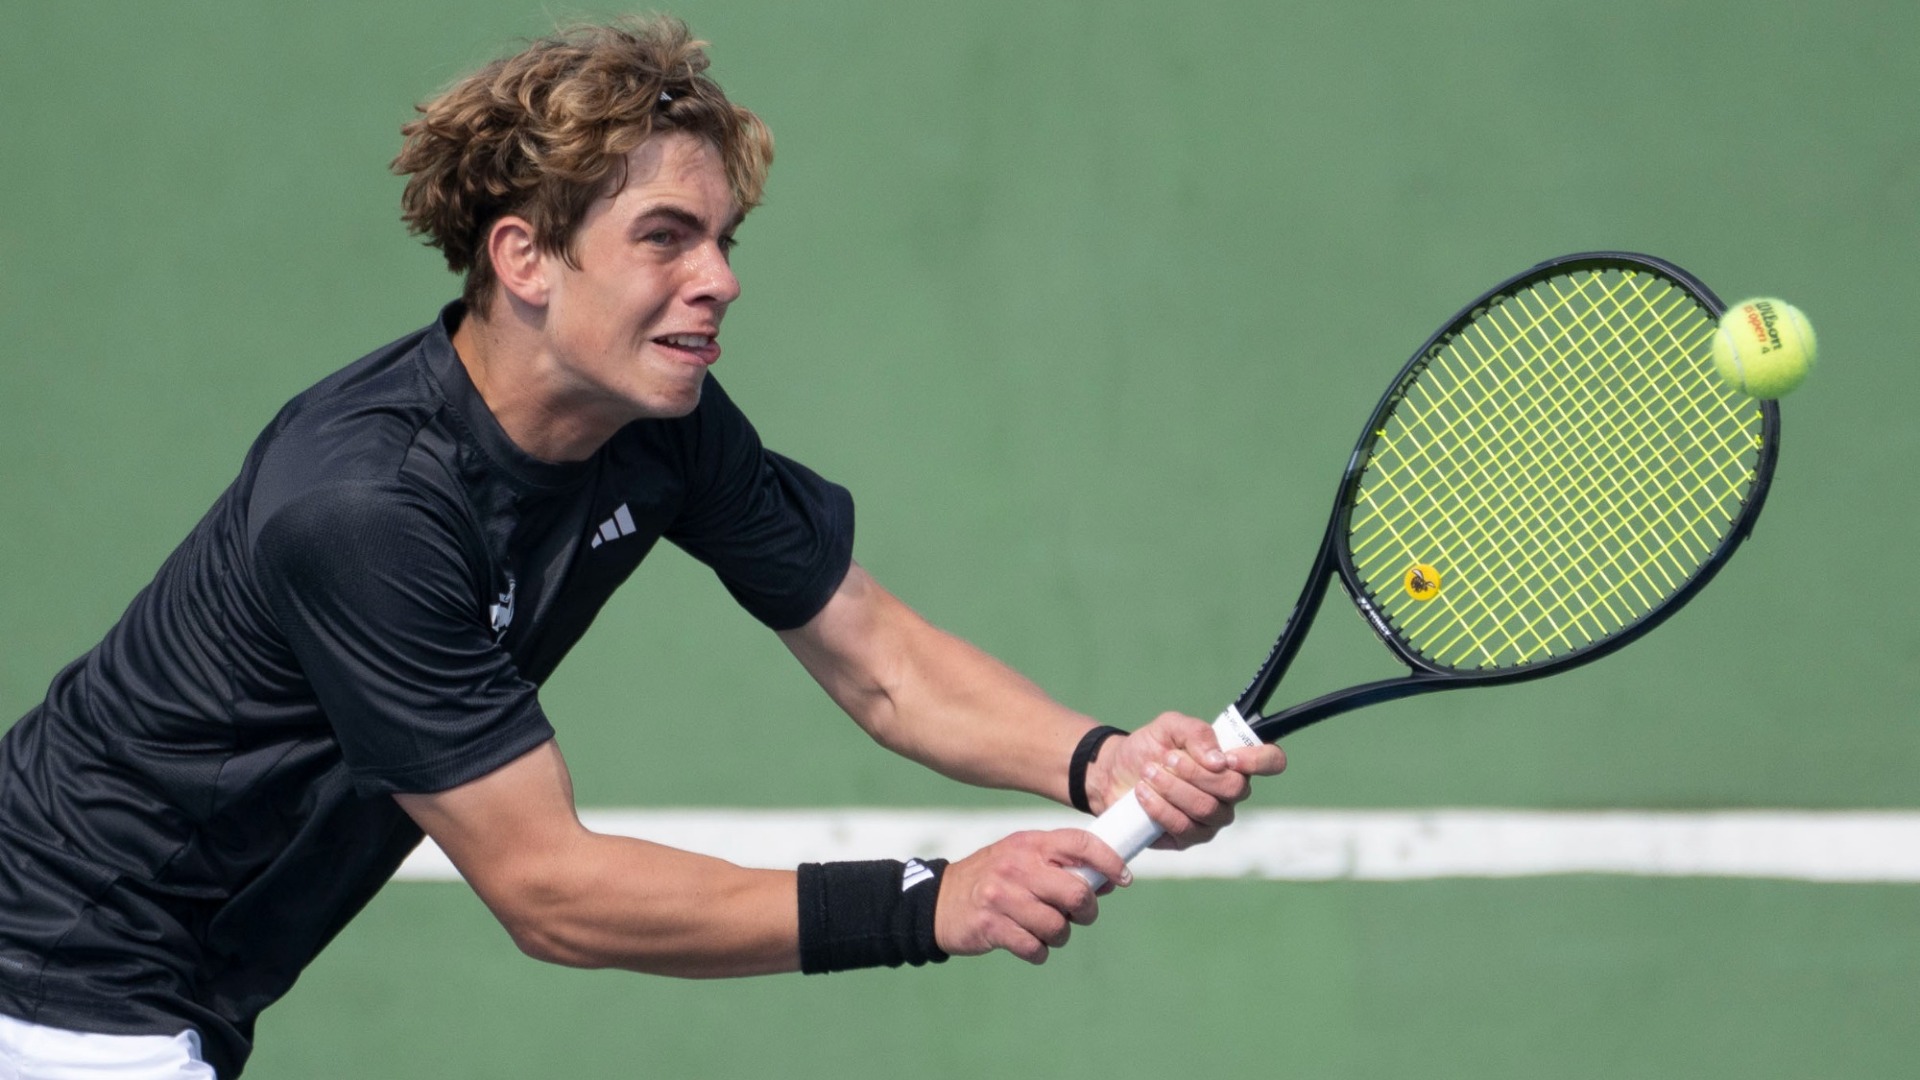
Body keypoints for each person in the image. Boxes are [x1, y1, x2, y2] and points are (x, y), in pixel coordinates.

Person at [0, 17, 1286, 1078]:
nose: (718, 277)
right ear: (525, 258)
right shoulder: (366, 507)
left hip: (167, 990)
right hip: (60, 992)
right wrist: (929, 904)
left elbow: (879, 658)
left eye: (725, 239)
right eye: (665, 237)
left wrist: (1097, 758)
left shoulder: (658, 420)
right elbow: (551, 891)